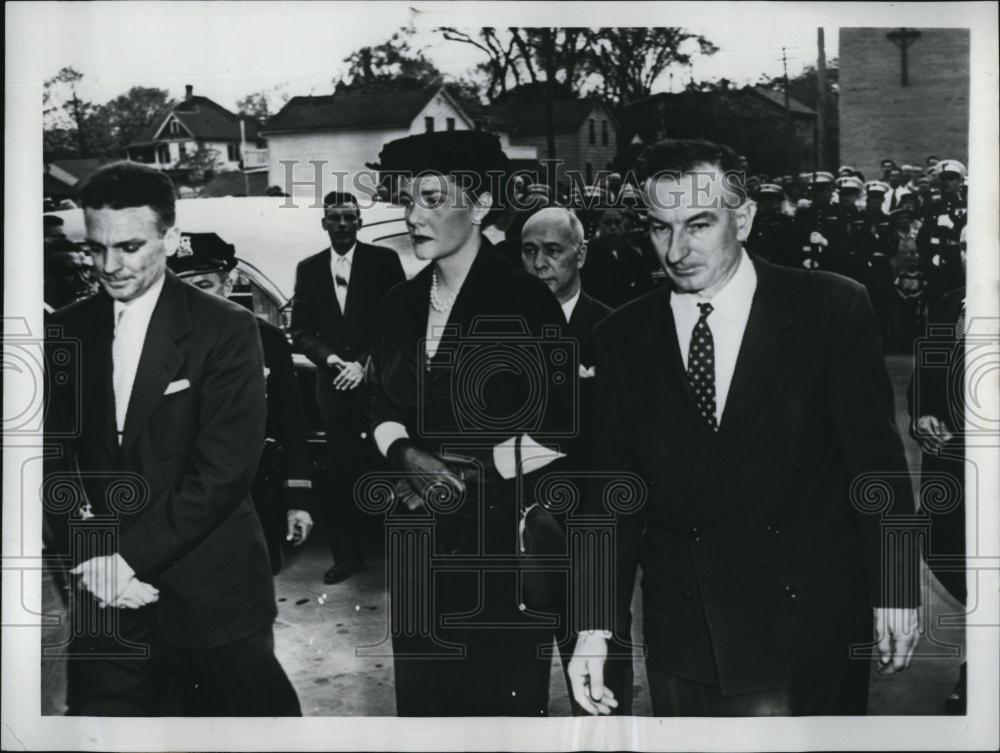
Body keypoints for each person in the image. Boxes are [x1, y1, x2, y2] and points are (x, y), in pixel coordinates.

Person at [566, 138, 920, 717]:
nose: (677, 250)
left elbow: (875, 464)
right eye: (659, 228)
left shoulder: (829, 309)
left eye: (698, 224)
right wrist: (592, 625)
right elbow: (610, 495)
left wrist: (897, 584)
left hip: (809, 626)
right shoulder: (622, 336)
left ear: (746, 218)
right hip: (687, 631)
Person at [44, 161, 300, 716]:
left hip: (211, 591)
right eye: (96, 248)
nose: (109, 266)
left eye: (130, 247)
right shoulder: (64, 330)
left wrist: (127, 560)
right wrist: (95, 560)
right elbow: (51, 461)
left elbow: (224, 470)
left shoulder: (226, 328)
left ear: (171, 238)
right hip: (103, 596)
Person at [367, 130, 575, 716]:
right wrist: (405, 455)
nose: (413, 216)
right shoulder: (398, 305)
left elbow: (561, 429)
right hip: (415, 541)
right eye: (407, 201)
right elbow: (379, 407)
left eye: (432, 199)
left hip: (499, 545)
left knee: (498, 705)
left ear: (481, 206)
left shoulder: (525, 302)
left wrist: (472, 469)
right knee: (426, 703)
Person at [519, 206, 629, 714]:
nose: (540, 263)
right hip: (518, 518)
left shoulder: (611, 329)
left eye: (553, 250)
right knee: (519, 663)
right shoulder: (500, 325)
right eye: (529, 250)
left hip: (588, 518)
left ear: (580, 255)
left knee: (601, 653)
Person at [168, 233, 314, 573]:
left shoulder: (266, 340)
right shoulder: (158, 343)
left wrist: (298, 502)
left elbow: (291, 424)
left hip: (252, 498)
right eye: (180, 285)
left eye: (203, 284)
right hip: (179, 502)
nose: (192, 297)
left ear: (229, 282)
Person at [291, 191, 405, 584]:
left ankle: (401, 558)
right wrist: (332, 360)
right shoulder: (308, 269)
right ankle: (347, 557)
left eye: (349, 218)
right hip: (334, 392)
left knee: (390, 470)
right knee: (340, 478)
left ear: (359, 222)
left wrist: (363, 364)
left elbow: (398, 325)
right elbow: (301, 331)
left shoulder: (383, 262)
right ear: (324, 224)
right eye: (334, 218)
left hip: (380, 392)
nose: (342, 225)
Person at [907, 225, 967, 714]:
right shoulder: (950, 304)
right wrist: (921, 412)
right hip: (951, 462)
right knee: (947, 549)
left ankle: (975, 671)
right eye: (965, 247)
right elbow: (924, 372)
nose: (973, 255)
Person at [580, 207, 655, 307]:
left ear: (623, 225)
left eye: (617, 222)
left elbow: (646, 287)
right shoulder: (588, 254)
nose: (613, 227)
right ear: (599, 225)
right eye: (607, 223)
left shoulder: (632, 254)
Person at [916, 160, 967, 300]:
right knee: (935, 300)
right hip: (935, 259)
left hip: (957, 260)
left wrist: (953, 228)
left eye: (952, 178)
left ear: (959, 182)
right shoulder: (932, 206)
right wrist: (925, 259)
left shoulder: (966, 207)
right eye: (944, 179)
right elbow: (923, 236)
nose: (947, 183)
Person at [792, 171, 840, 271]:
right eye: (816, 190)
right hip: (806, 264)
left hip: (831, 263)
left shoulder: (838, 213)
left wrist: (825, 242)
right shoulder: (803, 214)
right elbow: (795, 240)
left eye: (823, 190)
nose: (819, 194)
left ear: (830, 191)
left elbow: (842, 242)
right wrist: (803, 259)